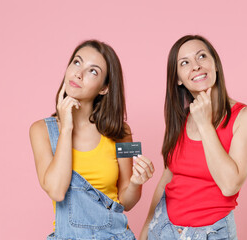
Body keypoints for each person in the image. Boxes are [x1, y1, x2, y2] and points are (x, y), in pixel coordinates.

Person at [29, 40, 154, 240]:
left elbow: (126, 201)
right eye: (77, 62)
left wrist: (136, 183)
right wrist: (67, 127)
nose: (79, 73)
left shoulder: (121, 132)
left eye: (93, 71)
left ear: (104, 88)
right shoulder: (41, 131)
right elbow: (56, 191)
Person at [140, 35, 247, 239]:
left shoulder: (246, 116)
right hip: (164, 228)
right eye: (185, 63)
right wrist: (146, 228)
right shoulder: (180, 119)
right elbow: (167, 178)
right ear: (178, 78)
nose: (195, 66)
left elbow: (230, 185)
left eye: (202, 56)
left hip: (211, 232)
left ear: (215, 65)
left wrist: (205, 124)